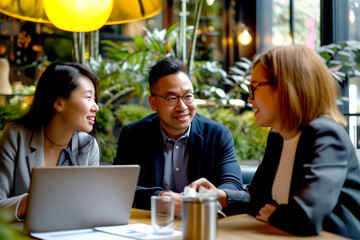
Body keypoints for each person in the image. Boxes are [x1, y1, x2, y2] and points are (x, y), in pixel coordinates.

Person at [190, 44, 360, 239]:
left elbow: (307, 217)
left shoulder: (325, 134)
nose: (249, 99)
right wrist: (223, 197)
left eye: (254, 87)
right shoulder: (278, 136)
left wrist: (275, 213)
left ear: (286, 87)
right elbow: (258, 199)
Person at [113, 57, 243, 216]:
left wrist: (211, 196)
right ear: (153, 103)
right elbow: (120, 187)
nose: (182, 107)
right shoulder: (134, 135)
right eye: (172, 98)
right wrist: (161, 199)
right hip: (152, 225)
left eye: (188, 96)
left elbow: (233, 186)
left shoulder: (217, 134)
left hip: (203, 223)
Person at [0, 62, 100, 221]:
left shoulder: (88, 145)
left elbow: (89, 206)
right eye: (88, 98)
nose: (96, 107)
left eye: (94, 99)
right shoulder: (15, 135)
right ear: (59, 102)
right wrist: (35, 199)